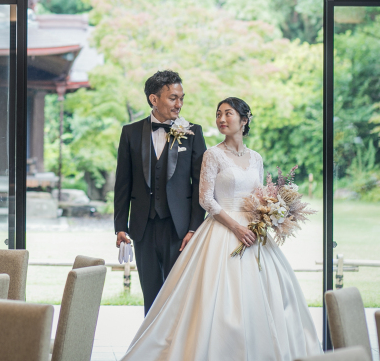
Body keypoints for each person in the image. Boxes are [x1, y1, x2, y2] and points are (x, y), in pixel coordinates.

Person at [120, 97, 322, 361]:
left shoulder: (257, 158)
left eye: (228, 114)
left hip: (254, 234)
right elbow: (206, 199)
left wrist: (269, 214)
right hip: (221, 230)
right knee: (213, 298)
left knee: (263, 295)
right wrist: (236, 228)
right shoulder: (212, 154)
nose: (221, 119)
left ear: (244, 120)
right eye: (218, 114)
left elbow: (258, 195)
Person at [113, 70, 208, 315]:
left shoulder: (193, 133)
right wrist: (120, 226)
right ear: (154, 100)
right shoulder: (130, 133)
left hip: (180, 230)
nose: (179, 104)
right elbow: (123, 183)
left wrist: (194, 229)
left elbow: (201, 184)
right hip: (143, 229)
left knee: (178, 295)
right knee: (151, 295)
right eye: (173, 98)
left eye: (181, 98)